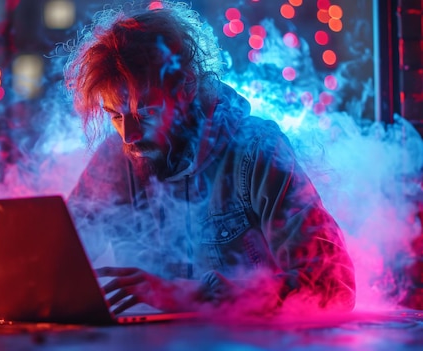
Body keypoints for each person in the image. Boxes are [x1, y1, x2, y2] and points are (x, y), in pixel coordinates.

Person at [63, 1, 356, 316]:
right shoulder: (115, 158)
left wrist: (198, 295)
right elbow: (58, 261)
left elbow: (334, 285)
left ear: (187, 88)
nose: (128, 135)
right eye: (115, 116)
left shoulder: (258, 151)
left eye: (146, 112)